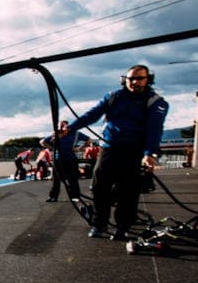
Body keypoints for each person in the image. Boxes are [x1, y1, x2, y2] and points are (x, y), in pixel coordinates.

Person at [61, 64, 168, 241]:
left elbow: (154, 129)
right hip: (109, 149)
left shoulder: (156, 102)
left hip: (134, 152)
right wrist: (70, 128)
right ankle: (99, 224)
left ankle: (122, 228)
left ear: (148, 80)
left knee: (128, 192)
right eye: (131, 78)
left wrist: (149, 154)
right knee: (99, 187)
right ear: (124, 80)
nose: (135, 82)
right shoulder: (113, 97)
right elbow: (91, 115)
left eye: (140, 78)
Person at [41, 121, 82, 202]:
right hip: (58, 160)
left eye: (65, 126)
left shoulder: (75, 133)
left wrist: (78, 148)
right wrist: (52, 148)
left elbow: (89, 140)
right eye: (62, 126)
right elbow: (42, 142)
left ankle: (75, 196)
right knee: (56, 179)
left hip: (71, 159)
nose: (64, 128)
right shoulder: (56, 135)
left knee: (72, 179)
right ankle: (53, 196)